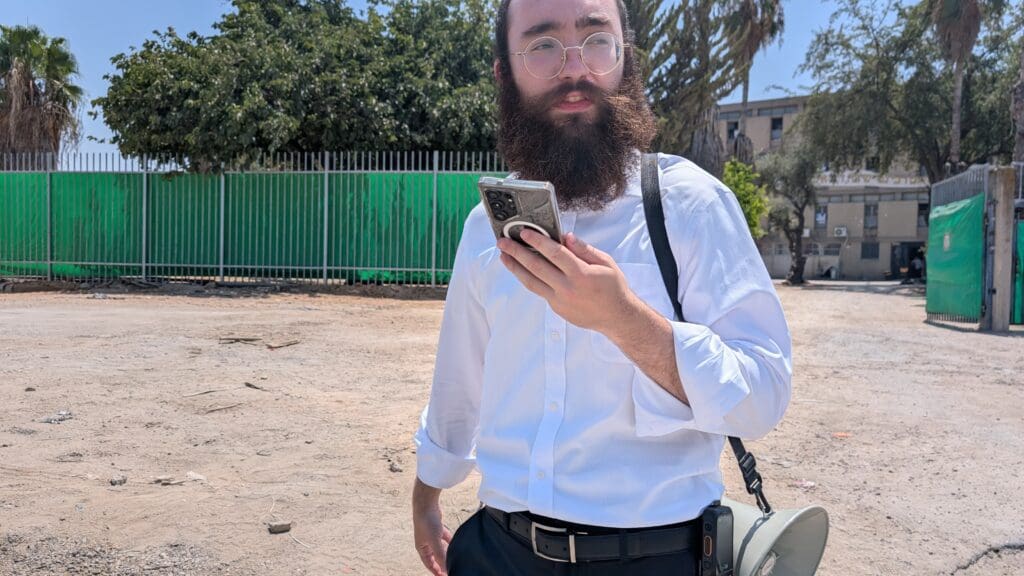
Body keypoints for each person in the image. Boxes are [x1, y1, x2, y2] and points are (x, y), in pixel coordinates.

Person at [411, 0, 792, 574]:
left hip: (655, 557)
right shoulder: (483, 228)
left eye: (596, 41)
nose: (575, 69)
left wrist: (623, 320)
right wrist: (426, 494)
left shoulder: (690, 205)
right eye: (542, 46)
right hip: (497, 551)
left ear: (625, 59)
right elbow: (459, 378)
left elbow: (763, 396)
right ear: (504, 73)